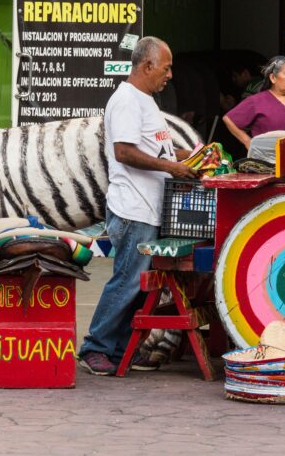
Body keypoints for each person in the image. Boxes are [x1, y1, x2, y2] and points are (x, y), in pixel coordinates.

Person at [77, 36, 198, 376]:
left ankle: (120, 351)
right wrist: (172, 168)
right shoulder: (127, 100)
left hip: (147, 207)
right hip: (133, 209)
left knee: (139, 282)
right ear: (147, 66)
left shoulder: (146, 101)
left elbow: (159, 150)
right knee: (128, 281)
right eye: (167, 67)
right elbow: (125, 152)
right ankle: (95, 348)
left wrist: (192, 157)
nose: (170, 75)